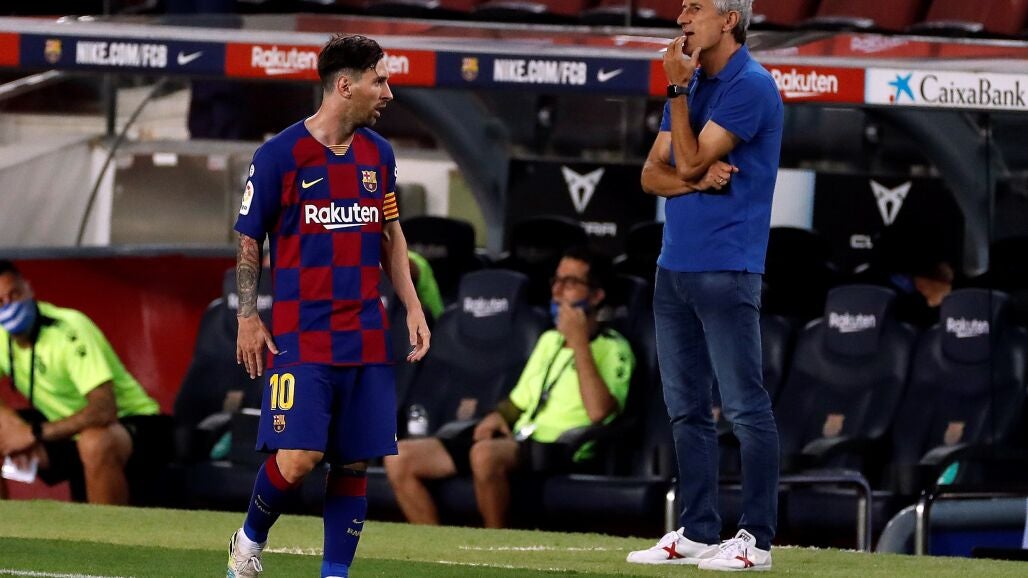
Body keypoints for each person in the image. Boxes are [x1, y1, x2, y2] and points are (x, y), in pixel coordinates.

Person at [229, 34, 431, 578]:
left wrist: (412, 305)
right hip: (301, 334)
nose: (388, 92)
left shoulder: (378, 154)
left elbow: (390, 234)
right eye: (379, 81)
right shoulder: (278, 155)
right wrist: (247, 315)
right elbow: (249, 237)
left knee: (353, 462)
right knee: (299, 457)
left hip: (366, 332)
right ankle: (247, 541)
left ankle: (334, 575)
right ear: (345, 85)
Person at [627, 0, 783, 572]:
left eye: (695, 7)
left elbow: (687, 158)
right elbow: (652, 175)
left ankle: (756, 541)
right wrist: (694, 181)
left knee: (744, 408)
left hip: (728, 267)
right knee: (686, 409)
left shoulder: (751, 86)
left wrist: (676, 94)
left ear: (729, 20)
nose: (681, 19)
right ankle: (697, 531)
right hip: (674, 267)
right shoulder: (693, 83)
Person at [384, 246, 634, 528]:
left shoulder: (615, 348)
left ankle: (496, 544)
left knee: (485, 455)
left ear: (597, 295)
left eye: (571, 283)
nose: (557, 291)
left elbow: (600, 412)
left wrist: (579, 344)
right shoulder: (549, 340)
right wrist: (497, 417)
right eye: (556, 281)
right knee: (400, 457)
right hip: (522, 441)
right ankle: (437, 545)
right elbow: (519, 401)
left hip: (564, 447)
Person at [0, 260, 167, 505]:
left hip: (133, 423)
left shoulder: (68, 330)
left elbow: (104, 409)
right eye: (0, 301)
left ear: (29, 289)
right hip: (66, 428)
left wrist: (33, 433)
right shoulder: (2, 335)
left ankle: (106, 530)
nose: (9, 306)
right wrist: (11, 425)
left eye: (14, 294)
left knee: (94, 441)